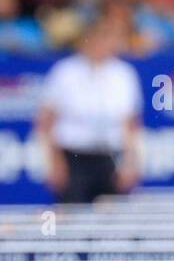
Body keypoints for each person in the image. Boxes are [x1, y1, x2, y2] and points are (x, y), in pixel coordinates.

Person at [35, 13, 143, 203]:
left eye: (106, 38)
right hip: (74, 158)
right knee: (73, 218)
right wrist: (53, 163)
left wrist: (131, 163)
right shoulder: (64, 72)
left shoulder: (124, 74)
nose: (100, 44)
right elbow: (45, 122)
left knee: (113, 221)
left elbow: (131, 124)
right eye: (96, 38)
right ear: (85, 40)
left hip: (109, 157)